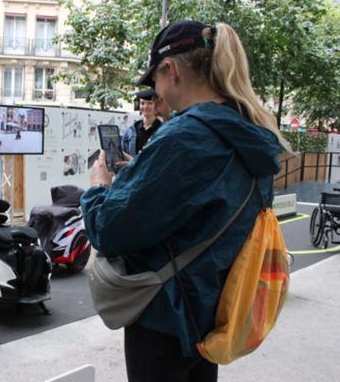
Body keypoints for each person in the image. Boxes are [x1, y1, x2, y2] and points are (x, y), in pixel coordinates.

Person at [81, 20, 289, 382]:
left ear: (171, 70)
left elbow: (110, 230)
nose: (156, 92)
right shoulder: (250, 134)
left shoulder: (185, 137)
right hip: (214, 312)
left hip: (165, 316)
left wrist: (99, 187)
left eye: (153, 81)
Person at [121, 88, 162, 156]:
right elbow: (122, 154)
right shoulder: (129, 131)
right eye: (142, 103)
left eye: (150, 103)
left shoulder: (163, 130)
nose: (145, 106)